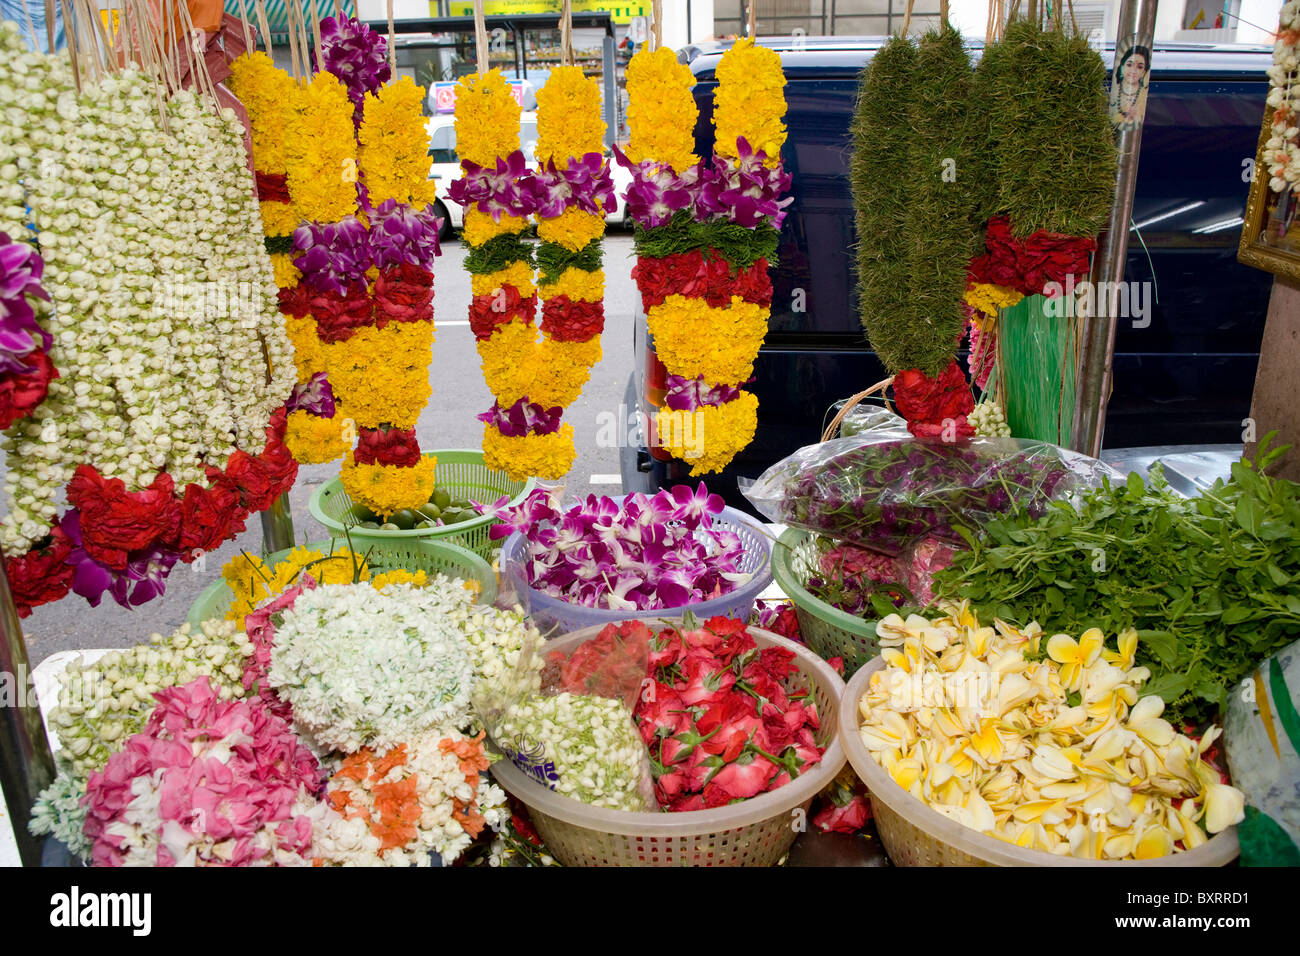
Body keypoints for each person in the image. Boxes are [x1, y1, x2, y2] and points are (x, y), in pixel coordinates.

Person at [1111, 45, 1151, 128]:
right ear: (1122, 66)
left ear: (1144, 72)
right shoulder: (1111, 92)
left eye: (1140, 67)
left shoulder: (1144, 97)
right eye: (1129, 65)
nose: (1133, 71)